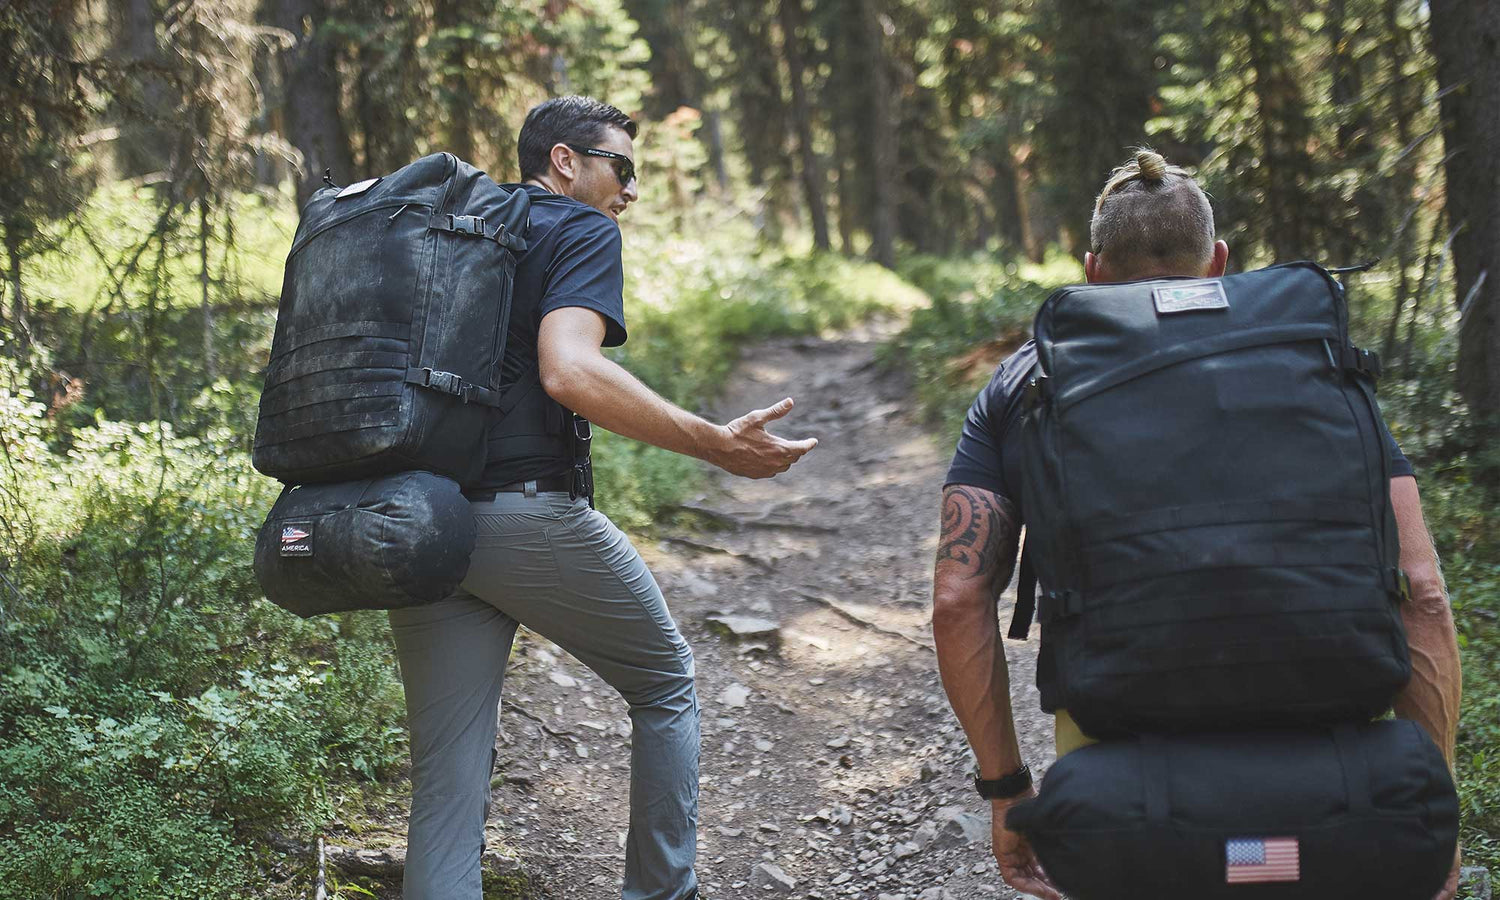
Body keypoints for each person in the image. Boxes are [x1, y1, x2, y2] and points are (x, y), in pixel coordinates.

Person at [929, 149, 1463, 900]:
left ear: (1092, 270)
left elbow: (958, 601)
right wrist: (1434, 813)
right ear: (1219, 262)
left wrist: (1007, 791)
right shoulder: (1314, 362)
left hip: (1125, 767)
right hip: (1337, 764)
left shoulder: (1025, 382)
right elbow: (1422, 592)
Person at [388, 96, 818, 900]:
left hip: (416, 520)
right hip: (524, 513)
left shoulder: (449, 229)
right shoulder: (579, 228)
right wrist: (712, 443)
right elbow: (571, 371)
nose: (631, 189)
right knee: (665, 683)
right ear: (564, 160)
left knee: (446, 778)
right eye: (621, 167)